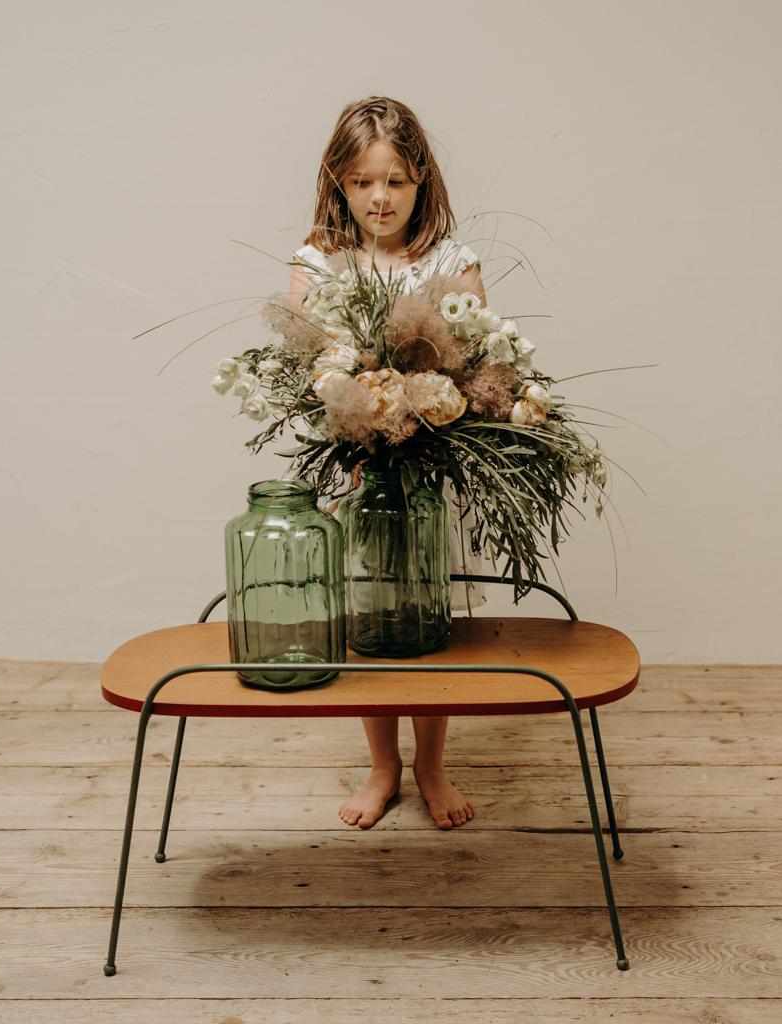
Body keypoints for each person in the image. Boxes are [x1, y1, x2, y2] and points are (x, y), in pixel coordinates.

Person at [287, 96, 487, 832]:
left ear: (421, 179)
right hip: (362, 473)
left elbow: (470, 361)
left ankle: (432, 764)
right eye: (365, 181)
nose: (380, 197)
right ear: (339, 181)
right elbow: (307, 361)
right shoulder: (322, 261)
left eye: (397, 181)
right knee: (370, 612)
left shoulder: (448, 260)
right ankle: (383, 766)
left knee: (424, 611)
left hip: (428, 475)